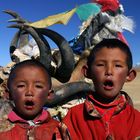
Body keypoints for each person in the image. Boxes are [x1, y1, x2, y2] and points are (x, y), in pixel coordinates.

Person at [60, 38, 140, 140]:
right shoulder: (74, 117)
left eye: (118, 65)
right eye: (100, 65)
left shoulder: (136, 120)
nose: (109, 71)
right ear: (87, 72)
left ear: (129, 75)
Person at [0, 59, 61, 140]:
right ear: (8, 94)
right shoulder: (2, 129)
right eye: (21, 86)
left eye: (38, 86)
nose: (29, 92)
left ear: (49, 95)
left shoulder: (58, 130)